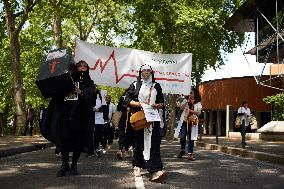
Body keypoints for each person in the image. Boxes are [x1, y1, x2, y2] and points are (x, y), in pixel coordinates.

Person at [124, 64, 166, 182]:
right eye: (144, 71)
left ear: (151, 73)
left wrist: (157, 105)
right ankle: (137, 165)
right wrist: (140, 105)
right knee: (138, 143)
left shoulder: (156, 86)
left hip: (153, 119)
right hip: (140, 119)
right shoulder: (135, 85)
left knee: (154, 144)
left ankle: (156, 169)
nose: (146, 72)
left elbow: (162, 102)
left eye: (149, 71)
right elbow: (127, 100)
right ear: (141, 72)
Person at [176, 88, 202, 161]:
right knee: (182, 137)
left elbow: (199, 113)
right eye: (189, 93)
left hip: (192, 122)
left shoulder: (198, 103)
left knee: (191, 138)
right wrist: (186, 102)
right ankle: (182, 150)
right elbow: (181, 108)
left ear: (195, 94)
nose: (190, 94)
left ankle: (190, 154)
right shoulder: (186, 101)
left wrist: (190, 111)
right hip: (184, 121)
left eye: (191, 93)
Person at [116, 91, 134, 159]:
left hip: (131, 119)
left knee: (128, 135)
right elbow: (118, 107)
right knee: (122, 135)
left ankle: (126, 152)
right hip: (123, 119)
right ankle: (120, 150)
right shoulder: (122, 97)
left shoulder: (134, 97)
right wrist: (125, 107)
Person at [93, 89, 107, 156]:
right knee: (92, 135)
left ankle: (98, 147)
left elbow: (104, 108)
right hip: (91, 120)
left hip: (99, 121)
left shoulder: (101, 99)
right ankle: (94, 148)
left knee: (99, 136)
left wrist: (98, 109)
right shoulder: (89, 97)